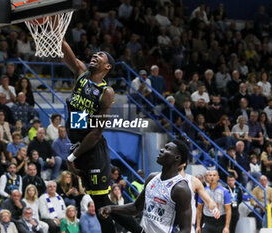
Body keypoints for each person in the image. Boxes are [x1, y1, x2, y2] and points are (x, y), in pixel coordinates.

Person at [62, 38, 142, 233]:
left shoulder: (106, 92)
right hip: (81, 144)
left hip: (93, 148)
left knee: (102, 204)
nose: (94, 55)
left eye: (100, 55)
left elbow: (97, 132)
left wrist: (74, 155)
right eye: (94, 54)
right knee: (101, 206)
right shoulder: (81, 75)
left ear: (107, 67)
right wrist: (57, 34)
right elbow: (66, 54)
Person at [100, 139, 192, 233]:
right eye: (164, 147)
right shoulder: (152, 177)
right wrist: (111, 208)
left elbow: (186, 229)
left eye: (167, 149)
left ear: (177, 158)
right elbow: (136, 207)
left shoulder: (180, 188)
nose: (161, 150)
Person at [178, 164, 220, 233]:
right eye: (210, 175)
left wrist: (215, 207)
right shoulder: (160, 179)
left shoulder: (194, 182)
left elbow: (209, 201)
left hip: (189, 223)